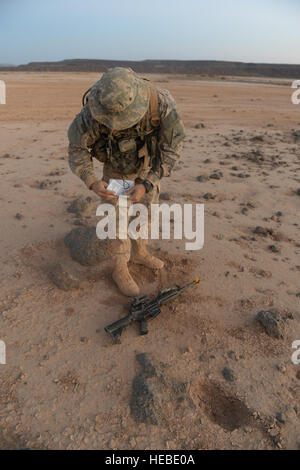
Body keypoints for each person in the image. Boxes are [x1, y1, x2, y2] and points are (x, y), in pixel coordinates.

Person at [68, 67, 185, 296]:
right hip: (117, 171)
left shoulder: (159, 102)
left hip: (147, 170)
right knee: (118, 217)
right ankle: (120, 265)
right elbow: (76, 149)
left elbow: (173, 148)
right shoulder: (92, 111)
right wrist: (92, 181)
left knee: (146, 211)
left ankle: (140, 252)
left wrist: (148, 183)